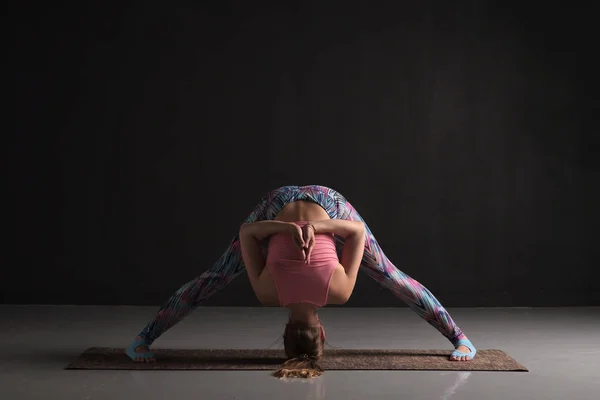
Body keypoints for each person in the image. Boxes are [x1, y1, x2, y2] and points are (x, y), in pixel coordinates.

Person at [125, 185, 476, 378]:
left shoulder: (338, 294)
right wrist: (298, 228)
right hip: (276, 206)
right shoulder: (267, 295)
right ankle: (141, 340)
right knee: (390, 275)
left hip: (324, 205)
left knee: (389, 276)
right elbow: (249, 233)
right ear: (284, 335)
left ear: (322, 332)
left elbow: (351, 233)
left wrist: (307, 228)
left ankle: (462, 340)